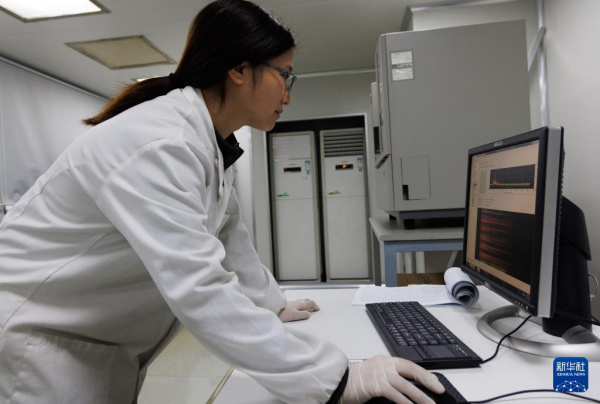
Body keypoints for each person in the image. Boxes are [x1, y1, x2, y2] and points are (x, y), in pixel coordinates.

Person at [0, 1, 445, 403]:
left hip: (92, 338)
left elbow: (231, 239)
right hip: (39, 337)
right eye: (284, 75)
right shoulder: (161, 143)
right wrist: (339, 379)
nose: (288, 94)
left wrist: (272, 305)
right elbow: (199, 286)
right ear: (239, 69)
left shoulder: (209, 144)